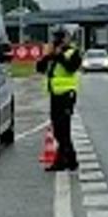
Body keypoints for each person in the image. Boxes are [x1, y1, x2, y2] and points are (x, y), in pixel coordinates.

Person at [35, 26, 81, 171]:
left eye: (60, 38)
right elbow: (40, 68)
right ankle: (70, 159)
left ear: (67, 39)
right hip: (54, 94)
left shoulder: (72, 53)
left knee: (63, 129)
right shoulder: (52, 54)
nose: (57, 41)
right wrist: (48, 56)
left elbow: (71, 68)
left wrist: (59, 55)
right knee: (58, 130)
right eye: (56, 38)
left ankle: (64, 161)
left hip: (67, 94)